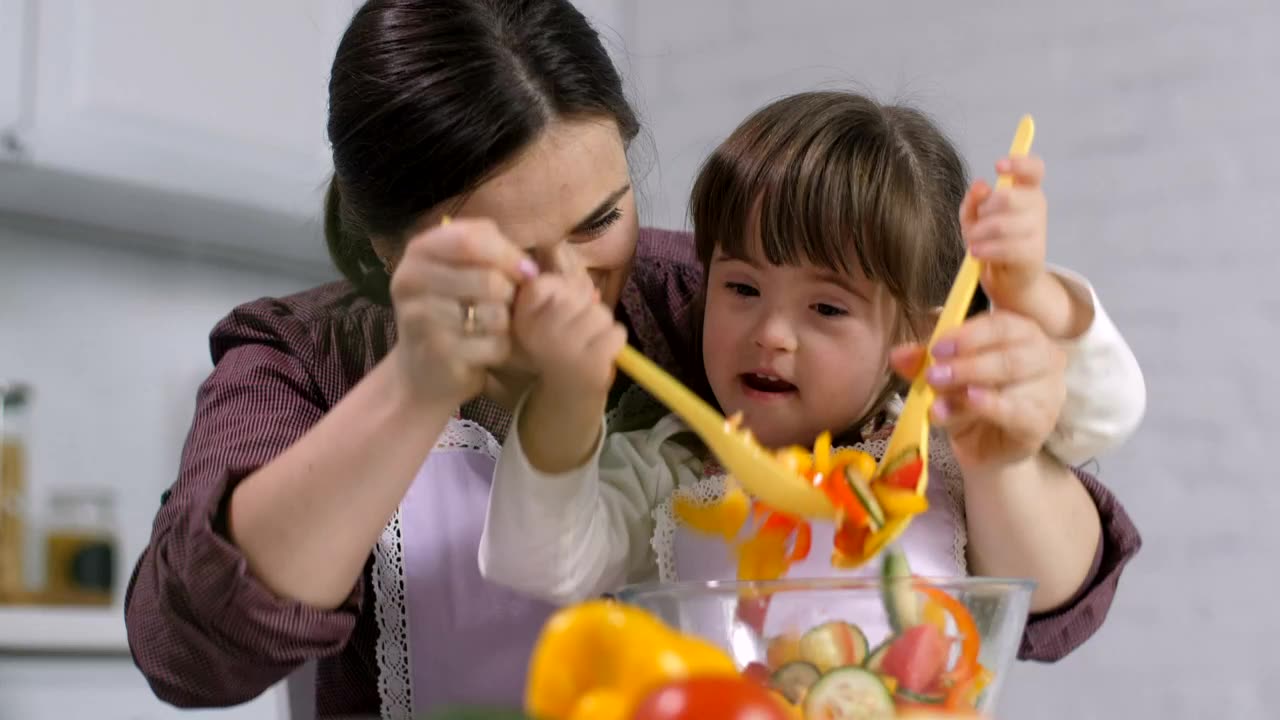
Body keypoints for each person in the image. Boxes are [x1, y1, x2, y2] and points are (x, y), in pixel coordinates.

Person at [122, 0, 1141, 716]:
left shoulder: (717, 303)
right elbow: (188, 652)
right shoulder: (298, 359)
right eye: (512, 258)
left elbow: (1047, 597)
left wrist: (1022, 393)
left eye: (600, 217)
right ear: (389, 244)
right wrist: (414, 386)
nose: (571, 283)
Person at [479, 91, 1143, 630]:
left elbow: (1100, 423)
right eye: (740, 288)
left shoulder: (947, 452)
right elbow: (535, 564)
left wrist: (1039, 304)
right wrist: (568, 397)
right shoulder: (666, 468)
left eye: (826, 309)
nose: (771, 334)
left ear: (915, 331)